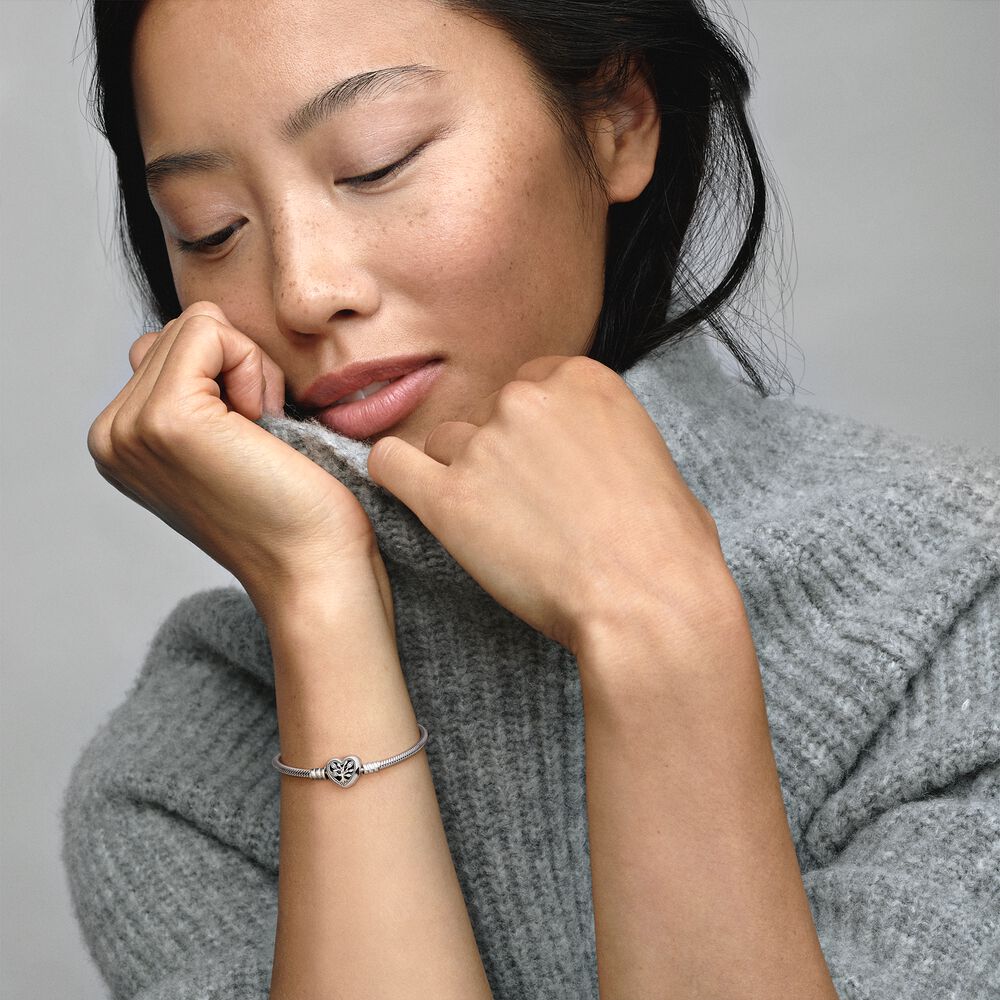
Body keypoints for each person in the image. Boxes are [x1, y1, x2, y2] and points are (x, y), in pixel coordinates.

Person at [61, 1, 999, 998]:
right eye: (212, 229)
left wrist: (652, 631)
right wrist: (322, 606)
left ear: (618, 121)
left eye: (376, 163)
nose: (301, 290)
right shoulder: (177, 772)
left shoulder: (956, 614)